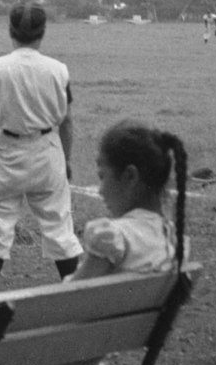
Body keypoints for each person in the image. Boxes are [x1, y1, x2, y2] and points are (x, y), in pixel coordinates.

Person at [0, 3, 83, 293]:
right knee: (59, 227)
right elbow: (67, 122)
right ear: (43, 33)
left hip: (7, 153)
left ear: (10, 31)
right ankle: (76, 294)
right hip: (47, 151)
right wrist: (65, 160)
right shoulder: (59, 70)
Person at [72, 121, 192, 282]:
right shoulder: (174, 242)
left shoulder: (115, 239)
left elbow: (68, 298)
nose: (100, 190)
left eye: (103, 177)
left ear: (130, 176)